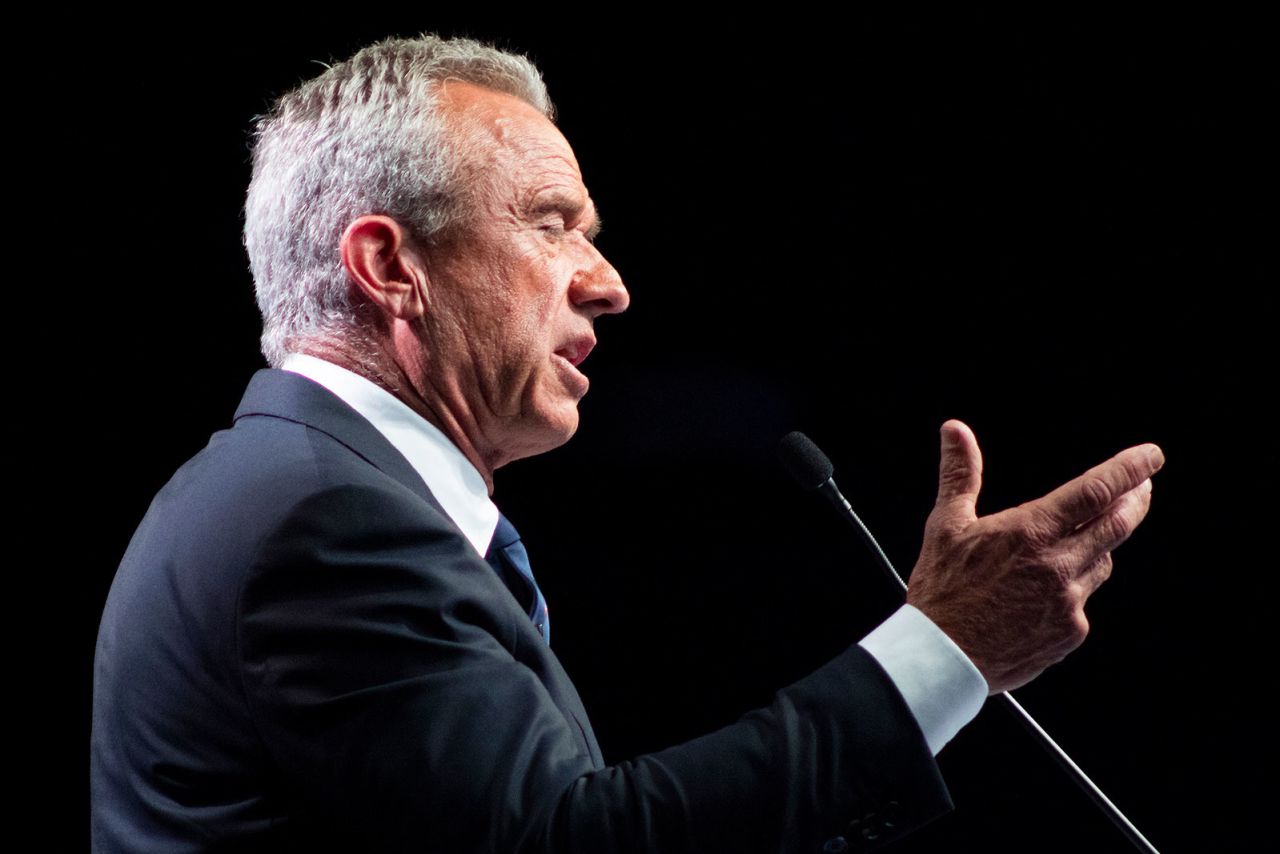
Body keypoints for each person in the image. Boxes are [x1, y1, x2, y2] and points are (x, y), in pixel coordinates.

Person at [90, 34, 1162, 853]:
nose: (606, 283)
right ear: (388, 265)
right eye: (552, 223)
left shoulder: (284, 484)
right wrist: (947, 649)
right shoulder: (323, 521)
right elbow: (570, 841)